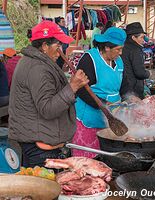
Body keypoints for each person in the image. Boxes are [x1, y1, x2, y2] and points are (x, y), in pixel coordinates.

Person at [8, 20, 89, 168]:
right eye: (57, 45)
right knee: (44, 189)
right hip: (40, 147)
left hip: (40, 140)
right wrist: (72, 87)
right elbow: (48, 109)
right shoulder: (38, 68)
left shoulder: (37, 62)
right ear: (45, 46)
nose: (60, 50)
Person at [72, 27, 127, 158]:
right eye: (118, 49)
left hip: (112, 117)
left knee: (107, 159)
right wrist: (104, 104)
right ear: (107, 47)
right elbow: (81, 90)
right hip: (90, 117)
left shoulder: (118, 61)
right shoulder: (90, 59)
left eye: (121, 49)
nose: (120, 53)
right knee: (89, 160)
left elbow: (124, 83)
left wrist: (130, 98)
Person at [120, 22, 151, 100]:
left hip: (124, 88)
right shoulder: (135, 50)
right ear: (133, 38)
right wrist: (148, 73)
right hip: (133, 89)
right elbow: (140, 73)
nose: (143, 40)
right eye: (141, 37)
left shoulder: (123, 47)